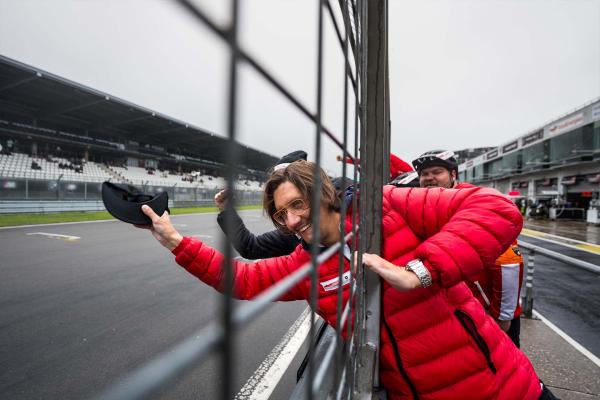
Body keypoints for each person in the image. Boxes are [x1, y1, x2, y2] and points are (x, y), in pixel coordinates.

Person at [139, 160, 545, 399]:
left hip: (502, 388)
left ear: (324, 193)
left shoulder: (386, 205)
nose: (292, 220)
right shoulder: (304, 266)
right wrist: (176, 242)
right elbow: (243, 279)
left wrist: (419, 272)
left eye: (298, 204)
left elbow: (495, 208)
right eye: (282, 215)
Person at [412, 149, 525, 347]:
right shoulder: (428, 203)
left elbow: (509, 263)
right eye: (424, 174)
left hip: (491, 312)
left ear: (453, 174)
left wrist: (503, 317)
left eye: (437, 172)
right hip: (461, 310)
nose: (429, 178)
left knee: (505, 372)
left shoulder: (474, 201)